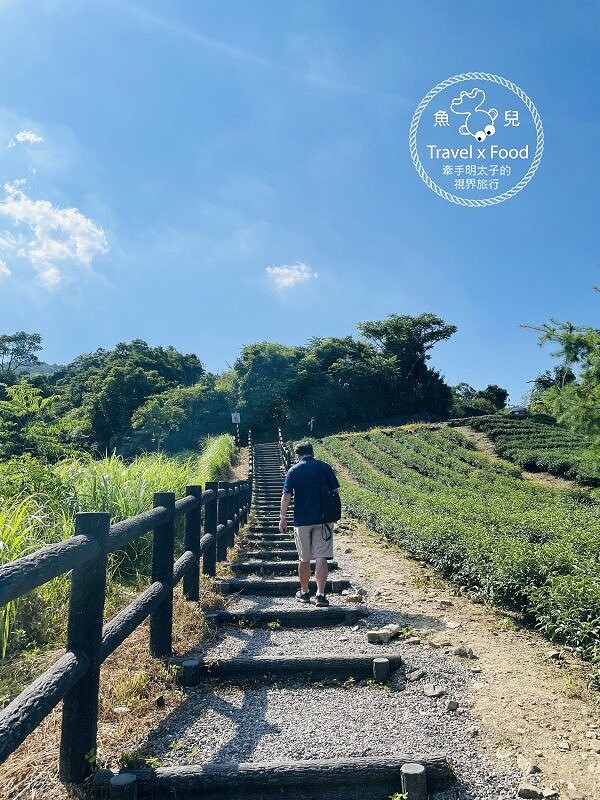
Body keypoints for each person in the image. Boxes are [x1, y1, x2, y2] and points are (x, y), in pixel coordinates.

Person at [279, 441, 340, 607]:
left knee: (304, 558)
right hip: (323, 519)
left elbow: (286, 495)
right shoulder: (325, 467)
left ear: (298, 455)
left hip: (302, 520)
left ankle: (305, 592)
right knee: (322, 557)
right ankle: (320, 595)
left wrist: (283, 516)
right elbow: (335, 492)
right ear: (312, 452)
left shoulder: (294, 470)